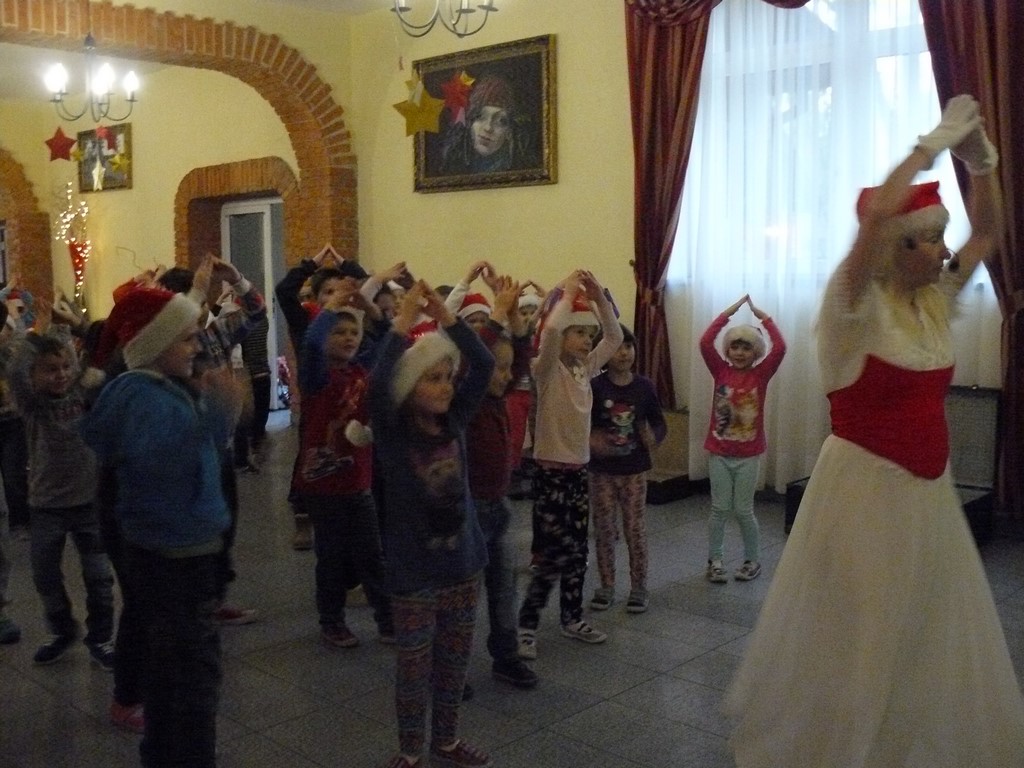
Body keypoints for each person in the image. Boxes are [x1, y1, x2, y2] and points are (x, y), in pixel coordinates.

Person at [725, 95, 1024, 766]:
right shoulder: (852, 307)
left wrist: (985, 165)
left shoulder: (931, 302)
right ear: (898, 246)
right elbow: (880, 214)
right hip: (864, 493)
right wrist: (929, 146)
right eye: (930, 238)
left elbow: (988, 235)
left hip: (927, 494)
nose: (944, 250)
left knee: (919, 623)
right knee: (863, 627)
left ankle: (898, 741)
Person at [81, 286, 240, 768]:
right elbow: (165, 462)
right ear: (154, 344)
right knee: (193, 680)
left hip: (171, 551)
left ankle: (162, 752)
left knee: (168, 669)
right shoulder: (144, 398)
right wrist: (217, 411)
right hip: (176, 554)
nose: (196, 347)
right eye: (186, 339)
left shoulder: (151, 391)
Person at [369, 280, 495, 768]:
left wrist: (447, 317)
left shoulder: (454, 422)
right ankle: (410, 752)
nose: (445, 386)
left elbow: (482, 363)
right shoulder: (394, 433)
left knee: (454, 663)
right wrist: (402, 323)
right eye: (432, 379)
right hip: (414, 573)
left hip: (463, 564)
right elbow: (379, 383)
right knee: (414, 666)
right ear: (409, 387)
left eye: (447, 377)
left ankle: (446, 741)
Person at [516, 271, 623, 659]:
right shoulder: (546, 369)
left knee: (577, 550)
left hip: (578, 471)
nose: (587, 340)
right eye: (579, 332)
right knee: (550, 555)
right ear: (563, 334)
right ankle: (527, 627)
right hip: (550, 472)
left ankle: (572, 617)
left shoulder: (586, 367)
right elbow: (548, 332)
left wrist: (598, 299)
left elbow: (614, 337)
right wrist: (567, 294)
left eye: (588, 334)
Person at [8, 303, 115, 669]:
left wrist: (73, 326)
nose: (61, 375)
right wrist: (34, 331)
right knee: (45, 574)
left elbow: (98, 350)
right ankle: (62, 629)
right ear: (35, 375)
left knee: (99, 576)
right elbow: (16, 369)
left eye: (65, 367)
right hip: (47, 505)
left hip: (89, 502)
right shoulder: (32, 404)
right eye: (50, 370)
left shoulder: (82, 393)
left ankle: (101, 637)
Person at [296, 286, 392, 648]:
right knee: (332, 557)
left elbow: (386, 339)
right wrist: (331, 308)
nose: (349, 337)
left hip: (357, 480)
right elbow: (310, 344)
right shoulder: (317, 377)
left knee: (372, 555)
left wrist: (369, 308)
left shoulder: (360, 370)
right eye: (339, 332)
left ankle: (387, 620)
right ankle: (332, 621)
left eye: (353, 332)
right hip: (323, 484)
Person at [464, 275, 538, 689]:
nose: (507, 376)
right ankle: (452, 667)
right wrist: (495, 315)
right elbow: (477, 358)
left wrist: (512, 313)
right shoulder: (470, 401)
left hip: (498, 505)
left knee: (504, 587)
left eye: (509, 369)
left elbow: (521, 357)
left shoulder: (499, 397)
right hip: (468, 509)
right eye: (498, 368)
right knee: (463, 594)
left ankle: (505, 656)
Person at [698, 295, 785, 583]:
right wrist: (729, 312)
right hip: (719, 453)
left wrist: (763, 317)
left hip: (748, 456)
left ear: (755, 352)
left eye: (746, 347)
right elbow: (705, 342)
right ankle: (715, 560)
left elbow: (780, 348)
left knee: (744, 511)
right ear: (728, 350)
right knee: (719, 509)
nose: (739, 352)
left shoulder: (761, 375)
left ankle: (752, 560)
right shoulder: (720, 370)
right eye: (734, 346)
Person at [587, 324, 666, 614]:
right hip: (602, 472)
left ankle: (639, 587)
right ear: (603, 352)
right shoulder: (595, 387)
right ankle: (607, 585)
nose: (624, 353)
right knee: (604, 529)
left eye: (628, 346)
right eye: (617, 347)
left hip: (634, 471)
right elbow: (584, 424)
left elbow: (658, 422)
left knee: (634, 528)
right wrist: (591, 439)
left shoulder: (644, 387)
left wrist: (654, 438)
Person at [440, 74, 537, 175]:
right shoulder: (455, 165)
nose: (488, 128)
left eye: (501, 121)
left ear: (509, 131)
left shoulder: (519, 169)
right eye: (480, 117)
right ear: (469, 122)